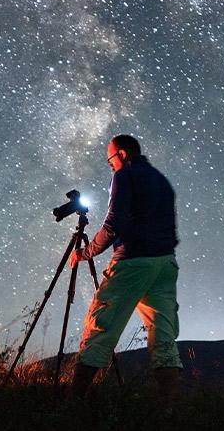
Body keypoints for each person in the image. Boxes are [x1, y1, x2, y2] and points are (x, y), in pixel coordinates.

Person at [67, 134, 182, 404]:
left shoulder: (124, 175)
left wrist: (85, 253)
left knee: (101, 325)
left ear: (120, 154)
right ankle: (170, 411)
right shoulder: (162, 181)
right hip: (165, 263)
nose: (109, 165)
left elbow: (113, 223)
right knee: (164, 336)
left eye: (110, 159)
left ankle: (72, 405)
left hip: (133, 261)